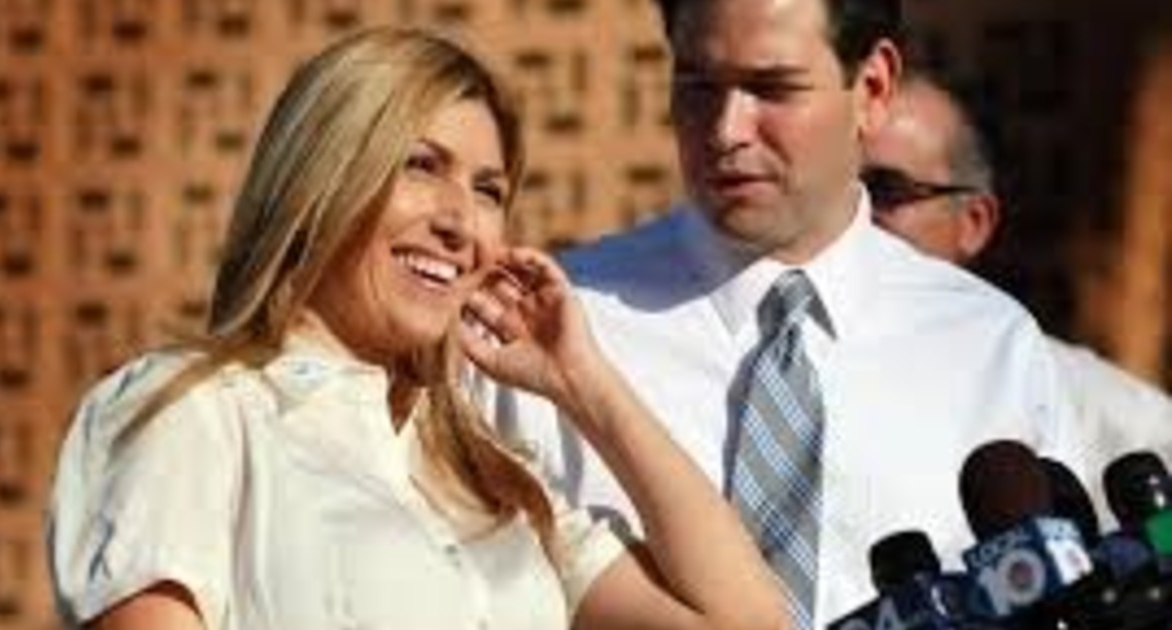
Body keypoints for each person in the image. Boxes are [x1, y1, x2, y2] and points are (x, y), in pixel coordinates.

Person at [44, 27, 791, 630]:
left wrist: (584, 384)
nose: (460, 223)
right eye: (421, 166)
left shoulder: (505, 485)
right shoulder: (190, 412)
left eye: (488, 190)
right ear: (323, 177)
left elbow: (750, 623)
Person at [489, 0, 1086, 626]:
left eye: (773, 88)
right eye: (697, 86)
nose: (727, 130)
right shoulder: (549, 328)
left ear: (872, 88)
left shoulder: (990, 348)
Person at [862, 71, 1172, 511]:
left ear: (973, 223)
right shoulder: (773, 388)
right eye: (836, 193)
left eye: (884, 191)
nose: (852, 216)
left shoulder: (1094, 409)